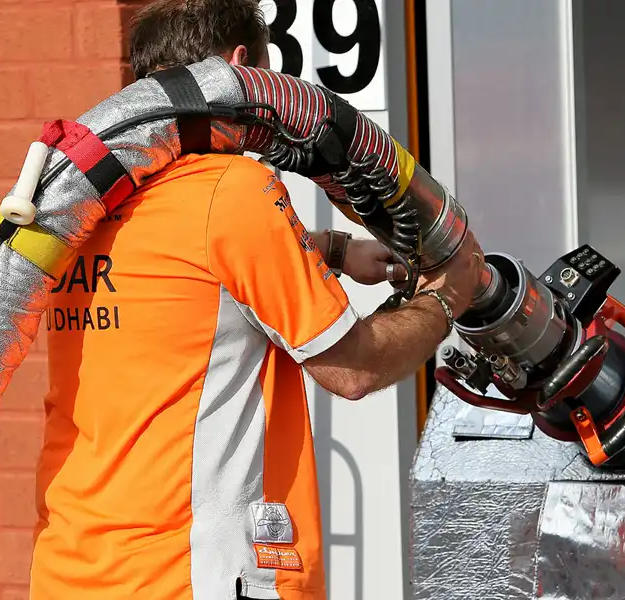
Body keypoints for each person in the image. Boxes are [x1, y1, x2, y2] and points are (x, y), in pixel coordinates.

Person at [29, 1, 485, 599]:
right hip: (187, 576)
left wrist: (333, 248)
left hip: (71, 569)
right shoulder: (231, 191)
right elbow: (352, 368)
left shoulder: (77, 195)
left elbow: (183, 281)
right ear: (242, 67)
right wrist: (448, 296)